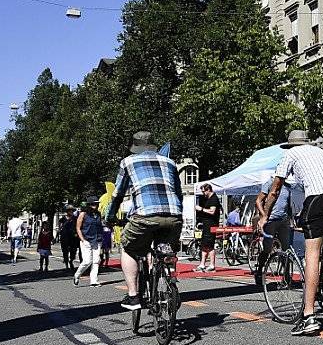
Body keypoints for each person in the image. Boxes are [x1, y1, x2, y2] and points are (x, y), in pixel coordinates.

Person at [263, 130, 323, 336]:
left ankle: (309, 315)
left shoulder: (290, 154)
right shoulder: (321, 152)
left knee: (312, 254)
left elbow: (275, 190)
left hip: (319, 198)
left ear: (290, 145)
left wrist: (265, 215)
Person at [106, 131, 184, 311]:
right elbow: (178, 193)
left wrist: (110, 217)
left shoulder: (128, 162)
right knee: (165, 249)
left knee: (129, 248)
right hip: (173, 215)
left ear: (135, 148)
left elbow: (117, 195)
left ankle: (133, 296)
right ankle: (169, 278)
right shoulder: (170, 162)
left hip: (144, 216)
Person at [254, 171, 303, 285]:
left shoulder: (287, 187)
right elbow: (258, 201)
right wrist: (263, 215)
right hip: (270, 220)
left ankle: (286, 276)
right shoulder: (269, 183)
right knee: (267, 248)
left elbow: (288, 204)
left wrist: (292, 220)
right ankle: (259, 270)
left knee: (287, 249)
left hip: (283, 220)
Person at [74, 198, 104, 287]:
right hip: (86, 240)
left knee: (96, 261)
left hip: (97, 240)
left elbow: (100, 226)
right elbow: (78, 228)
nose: (95, 206)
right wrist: (83, 240)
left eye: (96, 204)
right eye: (93, 204)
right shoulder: (83, 214)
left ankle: (94, 281)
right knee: (87, 261)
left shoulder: (98, 214)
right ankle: (77, 275)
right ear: (89, 205)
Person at [195, 183, 221, 272]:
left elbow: (212, 211)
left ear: (208, 190)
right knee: (204, 244)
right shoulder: (208, 198)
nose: (203, 193)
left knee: (209, 244)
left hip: (211, 224)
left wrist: (201, 209)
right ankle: (202, 264)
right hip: (206, 224)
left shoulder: (214, 199)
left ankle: (212, 265)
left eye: (203, 191)